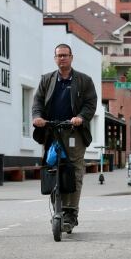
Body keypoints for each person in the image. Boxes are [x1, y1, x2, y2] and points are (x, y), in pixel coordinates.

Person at [32, 43, 97, 231]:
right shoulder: (47, 80)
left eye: (65, 55)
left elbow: (90, 103)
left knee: (74, 169)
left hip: (73, 131)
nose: (62, 58)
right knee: (52, 166)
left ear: (71, 57)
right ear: (55, 58)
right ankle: (57, 205)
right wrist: (37, 118)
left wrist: (81, 118)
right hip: (52, 130)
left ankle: (71, 212)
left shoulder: (84, 80)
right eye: (59, 56)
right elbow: (37, 102)